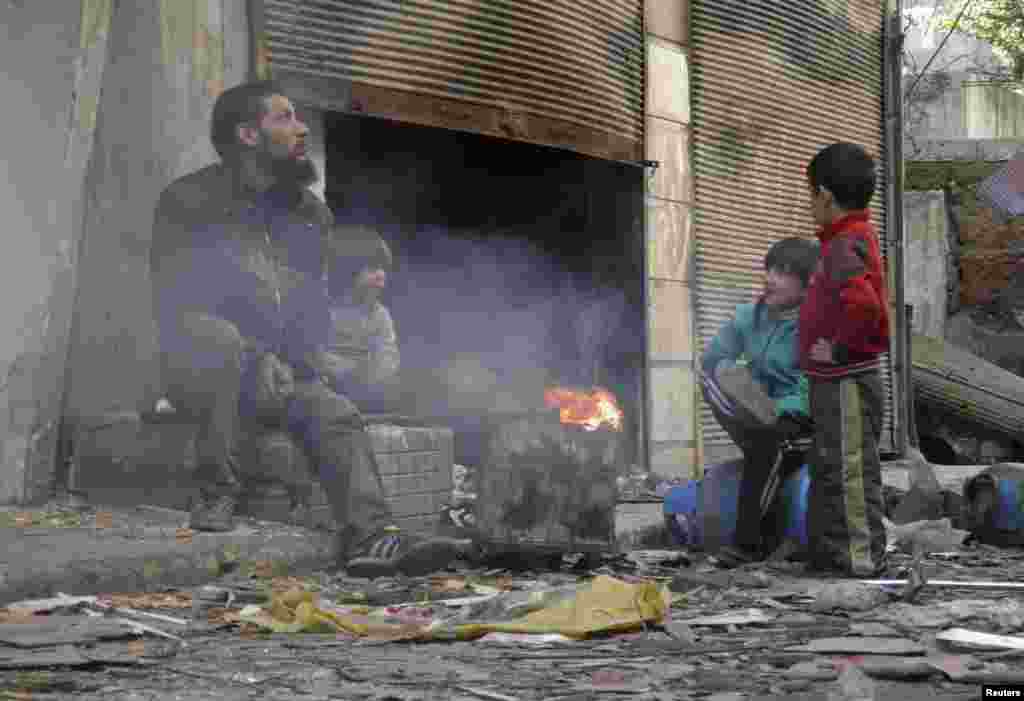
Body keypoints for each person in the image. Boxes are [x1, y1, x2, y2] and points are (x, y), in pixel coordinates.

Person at [149, 80, 457, 576]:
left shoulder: (311, 215)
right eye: (285, 118)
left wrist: (300, 362)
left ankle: (372, 536)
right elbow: (179, 299)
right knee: (222, 341)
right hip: (204, 368)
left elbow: (310, 309)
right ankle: (216, 493)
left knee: (335, 412)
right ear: (248, 135)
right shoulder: (189, 201)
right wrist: (256, 353)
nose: (301, 129)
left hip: (279, 372)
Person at [800, 142, 891, 577]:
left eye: (810, 196)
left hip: (848, 381)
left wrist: (836, 349)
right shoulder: (844, 240)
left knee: (850, 471)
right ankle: (832, 554)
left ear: (825, 195)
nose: (809, 205)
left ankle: (861, 557)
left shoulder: (844, 245)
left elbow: (866, 308)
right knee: (832, 467)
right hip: (835, 382)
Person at [700, 237, 820, 567]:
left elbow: (811, 386)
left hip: (799, 421)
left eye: (782, 273)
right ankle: (759, 426)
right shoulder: (749, 317)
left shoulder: (815, 327)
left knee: (769, 448)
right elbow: (713, 358)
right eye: (769, 270)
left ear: (807, 285)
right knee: (712, 379)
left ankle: (746, 545)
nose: (770, 279)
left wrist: (778, 410)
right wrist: (724, 368)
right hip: (753, 415)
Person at [316, 223, 401, 409]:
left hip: (366, 391)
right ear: (347, 269)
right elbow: (316, 356)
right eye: (372, 268)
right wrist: (351, 370)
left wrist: (369, 375)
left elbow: (388, 359)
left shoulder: (380, 315)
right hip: (327, 388)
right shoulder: (322, 308)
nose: (381, 275)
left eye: (383, 268)